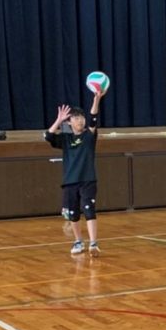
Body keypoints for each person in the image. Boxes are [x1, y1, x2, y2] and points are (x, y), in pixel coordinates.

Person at [45, 88, 105, 256]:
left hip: (87, 180)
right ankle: (78, 241)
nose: (80, 121)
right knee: (73, 214)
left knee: (89, 209)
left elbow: (93, 118)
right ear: (69, 122)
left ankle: (93, 243)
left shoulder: (89, 136)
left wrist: (96, 100)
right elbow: (48, 136)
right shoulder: (65, 139)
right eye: (76, 118)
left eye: (81, 118)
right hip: (70, 181)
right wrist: (59, 120)